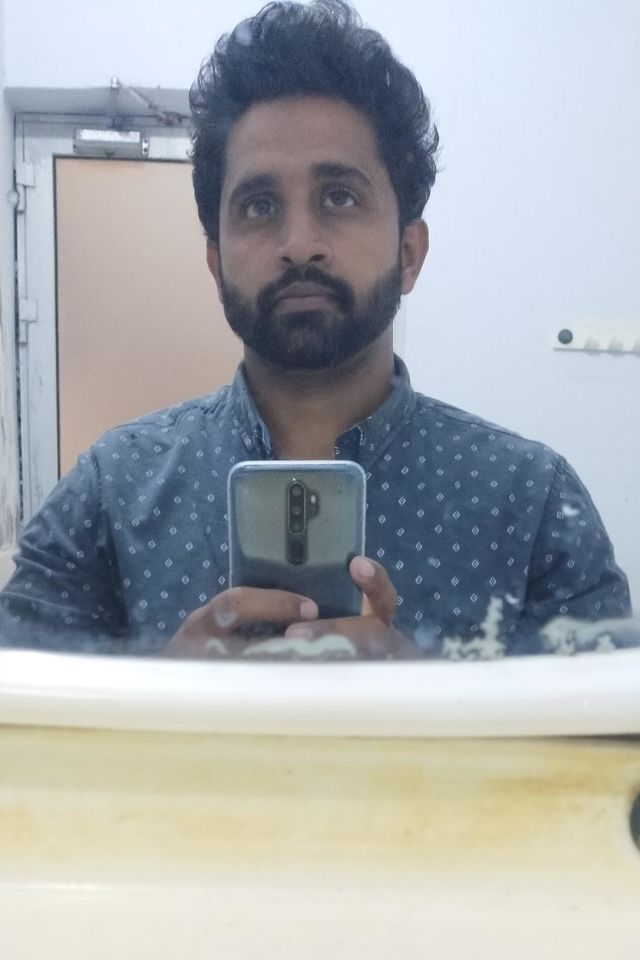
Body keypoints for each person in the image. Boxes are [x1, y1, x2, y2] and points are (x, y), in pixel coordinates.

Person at [0, 0, 632, 659]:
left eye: (339, 196)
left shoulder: (530, 503)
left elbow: (610, 721)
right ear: (216, 262)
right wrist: (164, 690)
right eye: (259, 205)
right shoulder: (113, 490)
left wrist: (435, 699)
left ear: (409, 253)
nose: (299, 243)